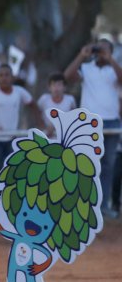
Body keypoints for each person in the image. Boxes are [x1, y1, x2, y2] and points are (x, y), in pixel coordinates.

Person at [65, 39, 122, 216]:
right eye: (99, 48)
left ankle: (103, 207)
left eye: (105, 49)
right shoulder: (87, 68)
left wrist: (111, 59)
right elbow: (67, 76)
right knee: (86, 164)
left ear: (111, 51)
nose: (101, 51)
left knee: (107, 165)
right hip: (89, 122)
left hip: (111, 121)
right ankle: (84, 206)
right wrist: (81, 56)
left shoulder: (114, 68)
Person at [0, 64, 40, 184]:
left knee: (13, 170)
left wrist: (40, 125)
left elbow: (33, 105)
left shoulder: (19, 91)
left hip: (13, 137)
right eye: (1, 75)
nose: (4, 78)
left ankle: (11, 198)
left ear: (12, 77)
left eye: (7, 75)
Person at [36, 72, 76, 137]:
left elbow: (73, 118)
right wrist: (44, 127)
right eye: (54, 85)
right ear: (49, 87)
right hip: (46, 135)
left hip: (64, 135)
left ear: (64, 87)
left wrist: (57, 128)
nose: (56, 88)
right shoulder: (43, 99)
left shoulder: (70, 100)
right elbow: (37, 114)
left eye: (59, 85)